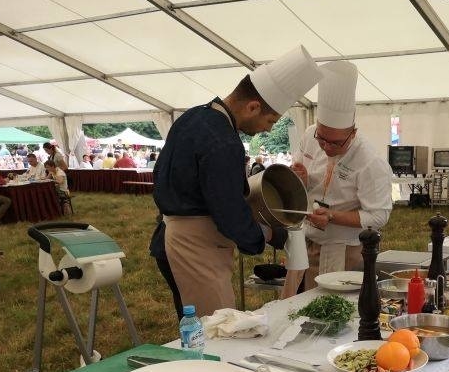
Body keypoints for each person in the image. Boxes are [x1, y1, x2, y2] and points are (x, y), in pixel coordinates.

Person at [152, 44, 322, 316]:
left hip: (170, 236)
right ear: (253, 106)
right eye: (270, 120)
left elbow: (161, 175)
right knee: (216, 329)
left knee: (194, 324)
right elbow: (228, 209)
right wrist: (264, 235)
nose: (267, 129)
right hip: (196, 245)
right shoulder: (223, 141)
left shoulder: (193, 116)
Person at [285, 61, 393, 295]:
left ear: (352, 133)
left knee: (330, 310)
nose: (326, 147)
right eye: (321, 138)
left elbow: (379, 215)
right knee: (293, 304)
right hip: (306, 240)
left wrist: (333, 216)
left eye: (335, 143)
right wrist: (300, 180)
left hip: (342, 248)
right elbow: (305, 178)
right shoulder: (309, 136)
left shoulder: (370, 162)